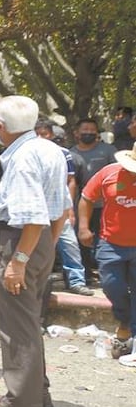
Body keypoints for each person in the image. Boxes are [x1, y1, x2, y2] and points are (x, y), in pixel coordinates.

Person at [0, 96, 69, 407]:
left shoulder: (23, 158)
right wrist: (45, 247)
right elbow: (62, 208)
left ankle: (22, 402)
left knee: (16, 324)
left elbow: (33, 217)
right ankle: (34, 391)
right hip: (36, 243)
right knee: (28, 319)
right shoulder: (48, 149)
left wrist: (19, 260)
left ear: (0, 127)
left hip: (18, 241)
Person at [78, 149, 136, 359]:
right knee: (112, 285)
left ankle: (130, 335)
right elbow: (86, 198)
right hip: (111, 244)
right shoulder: (108, 174)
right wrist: (83, 227)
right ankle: (125, 320)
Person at [34, 120, 93, 295]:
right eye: (37, 133)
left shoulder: (64, 154)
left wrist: (69, 209)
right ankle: (38, 282)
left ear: (51, 135)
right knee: (38, 247)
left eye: (44, 133)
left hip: (60, 209)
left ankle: (76, 281)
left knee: (69, 245)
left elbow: (71, 181)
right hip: (37, 210)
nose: (41, 137)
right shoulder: (29, 153)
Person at [70, 118, 117, 273]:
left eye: (92, 130)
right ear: (76, 133)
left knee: (105, 239)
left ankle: (106, 270)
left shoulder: (109, 150)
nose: (89, 133)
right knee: (82, 237)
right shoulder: (72, 153)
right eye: (85, 130)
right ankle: (86, 272)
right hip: (82, 204)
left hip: (107, 205)